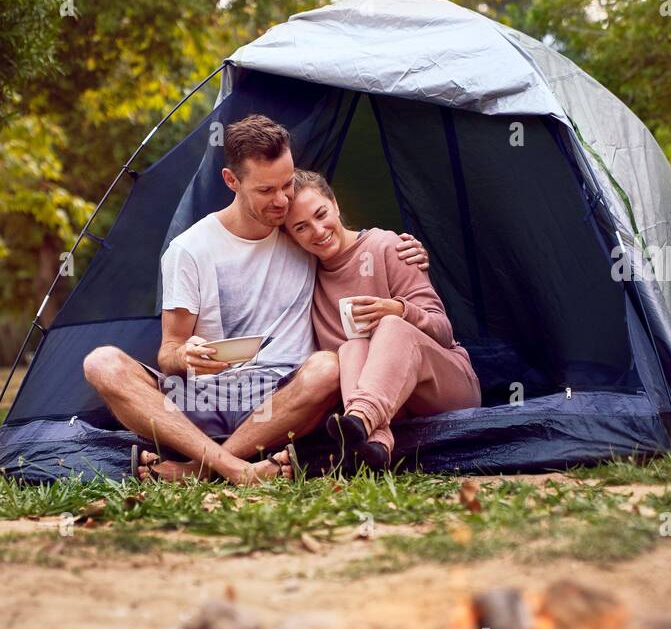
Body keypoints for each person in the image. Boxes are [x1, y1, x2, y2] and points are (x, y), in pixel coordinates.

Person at [82, 115, 429, 483]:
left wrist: (403, 249)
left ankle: (201, 469)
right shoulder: (189, 250)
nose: (281, 201)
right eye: (266, 191)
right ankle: (235, 468)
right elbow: (169, 351)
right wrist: (185, 354)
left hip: (281, 397)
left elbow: (346, 240)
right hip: (204, 397)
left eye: (287, 185)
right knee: (101, 362)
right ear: (232, 181)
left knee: (329, 366)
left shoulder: (301, 233)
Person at [282, 168, 480, 469]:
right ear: (292, 237)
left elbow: (442, 330)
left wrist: (399, 310)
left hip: (445, 388)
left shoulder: (388, 246)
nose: (318, 231)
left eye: (321, 214)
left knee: (390, 326)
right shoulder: (305, 278)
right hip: (394, 411)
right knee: (350, 347)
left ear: (335, 204)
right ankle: (375, 447)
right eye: (301, 227)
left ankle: (359, 420)